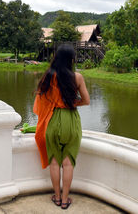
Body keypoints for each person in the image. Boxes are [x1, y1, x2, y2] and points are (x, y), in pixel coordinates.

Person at [33, 44, 90, 210]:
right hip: (71, 120)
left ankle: (56, 198)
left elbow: (40, 101)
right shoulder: (77, 77)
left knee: (54, 162)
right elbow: (86, 101)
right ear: (71, 60)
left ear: (56, 58)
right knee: (68, 163)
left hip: (52, 119)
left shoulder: (48, 77)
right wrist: (72, 103)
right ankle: (65, 200)